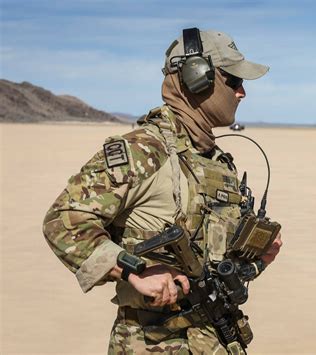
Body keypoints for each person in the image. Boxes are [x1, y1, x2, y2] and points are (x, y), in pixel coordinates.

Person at [43, 28, 282, 354]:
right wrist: (133, 269)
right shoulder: (146, 150)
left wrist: (257, 259)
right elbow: (63, 220)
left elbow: (217, 264)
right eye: (233, 81)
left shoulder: (216, 162)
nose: (242, 92)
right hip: (154, 343)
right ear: (198, 77)